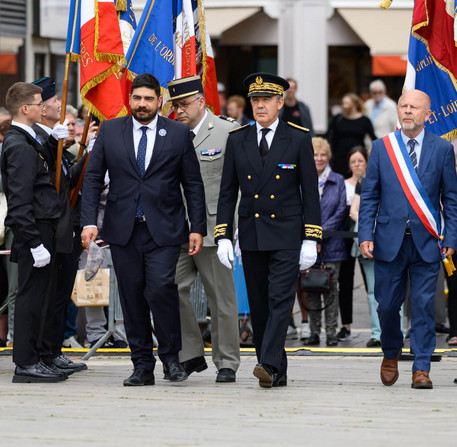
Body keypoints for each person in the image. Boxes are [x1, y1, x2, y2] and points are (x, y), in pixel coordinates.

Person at [80, 73, 207, 386]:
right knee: (132, 295)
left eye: (148, 99)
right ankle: (141, 366)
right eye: (136, 98)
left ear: (159, 102)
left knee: (161, 288)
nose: (142, 104)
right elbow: (93, 178)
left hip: (164, 229)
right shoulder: (111, 130)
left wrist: (198, 227)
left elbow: (192, 183)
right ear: (129, 100)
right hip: (123, 230)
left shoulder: (178, 133)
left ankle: (172, 359)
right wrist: (88, 221)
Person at [215, 72, 321, 388]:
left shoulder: (298, 137)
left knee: (279, 300)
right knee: (260, 305)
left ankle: (267, 363)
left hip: (287, 234)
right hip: (252, 232)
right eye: (255, 100)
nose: (260, 105)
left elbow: (310, 192)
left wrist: (311, 238)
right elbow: (226, 192)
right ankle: (276, 371)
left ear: (279, 102)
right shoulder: (238, 139)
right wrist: (222, 234)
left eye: (266, 100)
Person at [359, 89, 457, 389]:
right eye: (403, 106)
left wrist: (451, 235)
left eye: (414, 107)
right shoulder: (381, 147)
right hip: (389, 240)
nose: (407, 111)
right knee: (387, 306)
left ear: (428, 114)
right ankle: (390, 353)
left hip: (427, 241)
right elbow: (370, 195)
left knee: (425, 307)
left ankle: (421, 367)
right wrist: (365, 233)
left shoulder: (442, 149)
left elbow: (451, 198)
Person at [167, 75, 241, 383]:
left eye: (184, 104)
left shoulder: (227, 131)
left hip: (214, 228)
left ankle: (226, 361)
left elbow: (237, 185)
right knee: (171, 288)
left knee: (220, 297)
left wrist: (232, 230)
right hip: (178, 229)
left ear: (201, 101)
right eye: (175, 106)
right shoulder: (170, 134)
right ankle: (190, 354)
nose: (180, 111)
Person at [1, 82, 69, 382]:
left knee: (40, 296)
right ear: (25, 108)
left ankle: (35, 358)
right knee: (30, 297)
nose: (45, 106)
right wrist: (33, 242)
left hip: (42, 226)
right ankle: (26, 363)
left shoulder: (29, 141)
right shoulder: (18, 144)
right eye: (39, 102)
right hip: (34, 230)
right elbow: (19, 200)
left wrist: (55, 143)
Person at [31, 77, 88, 374]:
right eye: (54, 102)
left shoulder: (56, 144)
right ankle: (42, 354)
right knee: (47, 298)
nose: (58, 106)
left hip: (65, 232)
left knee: (60, 297)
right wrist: (54, 142)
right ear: (41, 109)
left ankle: (53, 352)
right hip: (47, 232)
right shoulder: (37, 142)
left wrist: (91, 151)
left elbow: (66, 180)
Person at [303, 137, 347, 347]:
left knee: (331, 289)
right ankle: (313, 332)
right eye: (315, 154)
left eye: (322, 155)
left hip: (333, 246)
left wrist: (321, 234)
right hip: (307, 244)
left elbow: (340, 211)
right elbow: (300, 208)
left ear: (328, 156)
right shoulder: (303, 178)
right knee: (311, 287)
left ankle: (331, 332)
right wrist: (311, 235)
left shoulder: (338, 180)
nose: (319, 158)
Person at [336, 146, 368, 342]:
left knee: (371, 281)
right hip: (344, 237)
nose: (357, 164)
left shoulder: (372, 182)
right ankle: (345, 324)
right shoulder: (343, 184)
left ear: (366, 162)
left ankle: (378, 326)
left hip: (365, 236)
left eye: (360, 160)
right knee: (345, 281)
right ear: (349, 165)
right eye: (353, 161)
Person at [326, 93, 376, 177]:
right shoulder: (338, 119)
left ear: (354, 104)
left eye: (347, 103)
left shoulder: (364, 120)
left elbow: (374, 138)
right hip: (339, 158)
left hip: (357, 156)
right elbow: (329, 137)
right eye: (343, 103)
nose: (344, 106)